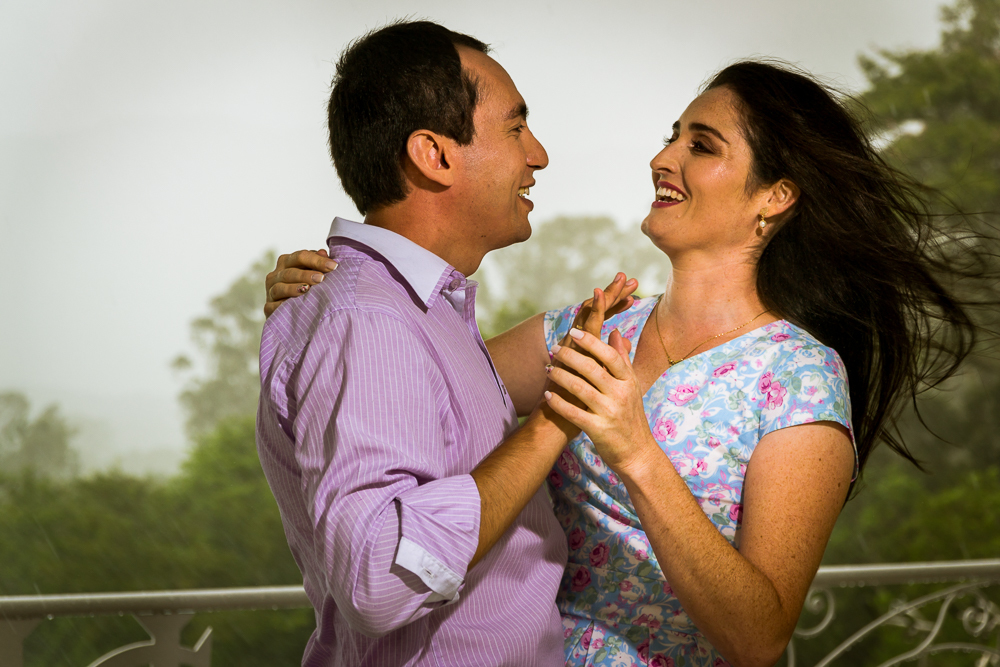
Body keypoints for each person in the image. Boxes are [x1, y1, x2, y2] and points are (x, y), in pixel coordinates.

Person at [266, 60, 984, 666]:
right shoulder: (582, 332)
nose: (663, 158)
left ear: (775, 196)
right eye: (672, 136)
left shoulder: (800, 377)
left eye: (701, 145)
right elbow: (409, 390)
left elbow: (759, 636)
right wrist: (322, 312)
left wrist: (634, 449)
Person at [256, 20, 638, 667]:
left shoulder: (414, 311)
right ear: (434, 155)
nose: (537, 154)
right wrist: (553, 421)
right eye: (516, 128)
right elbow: (377, 579)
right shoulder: (369, 323)